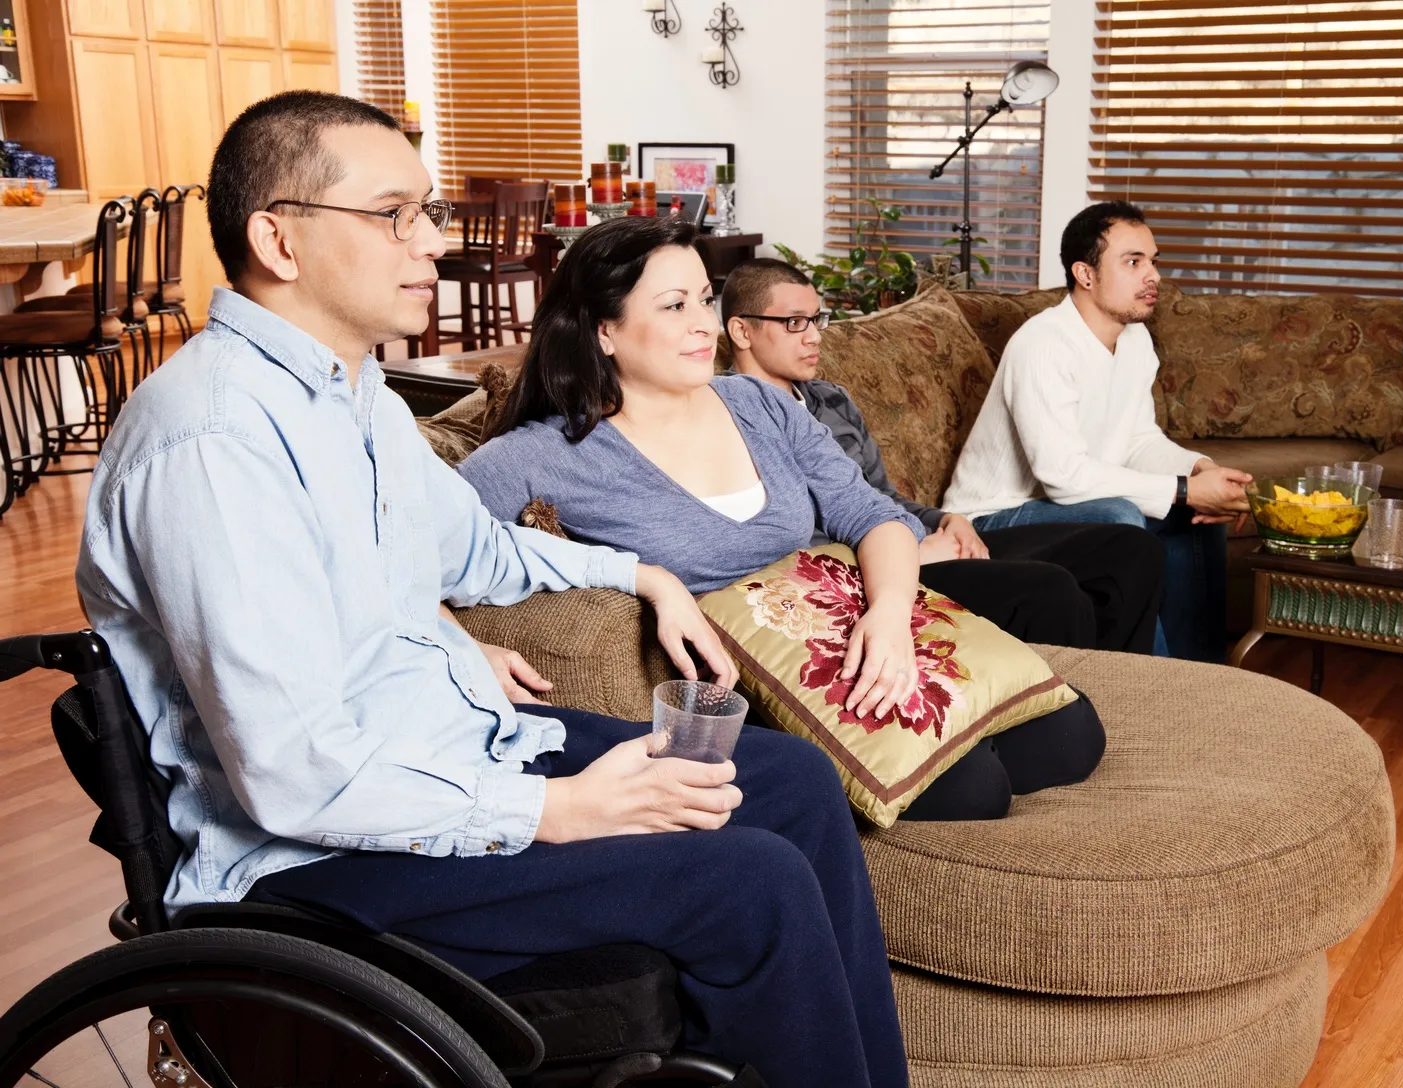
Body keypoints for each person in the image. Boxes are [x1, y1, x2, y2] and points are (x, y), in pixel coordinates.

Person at [75, 91, 908, 1088]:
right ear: (279, 239)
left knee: (792, 781)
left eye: (425, 210)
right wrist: (553, 808)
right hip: (320, 858)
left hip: (448, 741)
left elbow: (478, 552)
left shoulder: (355, 400)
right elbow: (295, 772)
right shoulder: (213, 443)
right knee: (753, 879)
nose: (432, 240)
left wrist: (639, 572)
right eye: (396, 215)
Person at [458, 216, 1105, 823]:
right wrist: (466, 647)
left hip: (851, 623)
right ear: (605, 329)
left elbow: (872, 514)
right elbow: (389, 562)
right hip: (757, 688)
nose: (702, 326)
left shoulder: (756, 405)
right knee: (974, 788)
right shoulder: (538, 455)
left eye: (704, 300)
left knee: (1073, 735)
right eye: (673, 306)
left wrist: (889, 617)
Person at [720, 257, 1164, 656]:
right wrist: (908, 554)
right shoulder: (729, 421)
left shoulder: (831, 401)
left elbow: (881, 496)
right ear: (742, 330)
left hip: (920, 541)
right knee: (1050, 590)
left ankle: (1123, 694)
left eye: (817, 319)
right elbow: (780, 544)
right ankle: (1070, 718)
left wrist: (945, 520)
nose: (815, 336)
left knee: (1130, 549)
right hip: (870, 575)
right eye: (795, 323)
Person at [940, 201, 1253, 663]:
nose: (1154, 276)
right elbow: (1063, 476)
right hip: (992, 518)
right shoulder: (1043, 343)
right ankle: (1151, 685)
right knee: (1119, 519)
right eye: (1133, 262)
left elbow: (1137, 440)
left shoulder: (1134, 339)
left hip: (1063, 507)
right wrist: (1185, 489)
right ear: (1085, 274)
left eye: (1153, 261)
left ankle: (1200, 675)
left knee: (1196, 523)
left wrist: (1198, 468)